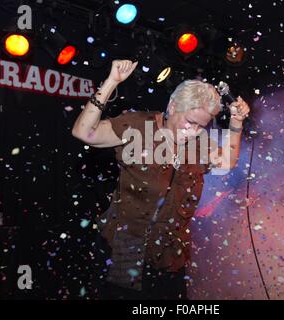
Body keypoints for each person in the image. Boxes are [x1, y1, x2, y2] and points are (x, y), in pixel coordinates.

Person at [72, 60, 250, 299]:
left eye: (201, 126)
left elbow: (227, 161)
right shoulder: (137, 126)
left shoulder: (198, 144)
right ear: (173, 106)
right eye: (190, 122)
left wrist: (236, 122)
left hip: (170, 255)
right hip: (126, 248)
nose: (193, 130)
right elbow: (84, 132)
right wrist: (111, 82)